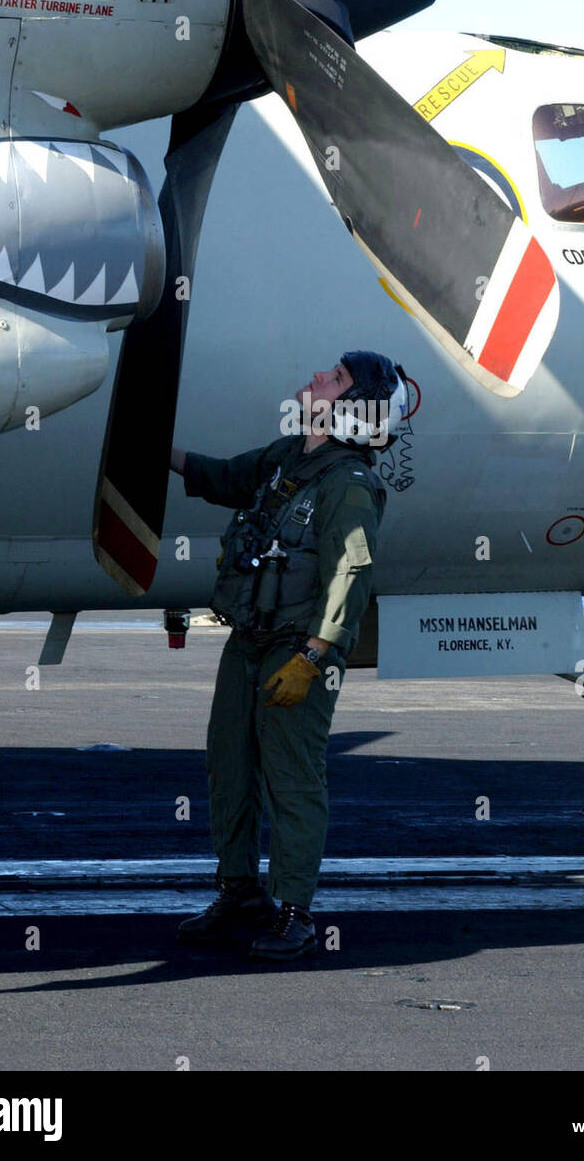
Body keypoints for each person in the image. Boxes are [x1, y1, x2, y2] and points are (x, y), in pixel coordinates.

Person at [170, 351, 409, 960]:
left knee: (293, 780)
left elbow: (350, 573)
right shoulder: (287, 460)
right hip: (250, 638)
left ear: (352, 408)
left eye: (334, 379)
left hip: (298, 648)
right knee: (229, 766)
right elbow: (226, 477)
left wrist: (313, 655)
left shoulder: (349, 484)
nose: (316, 378)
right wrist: (156, 452)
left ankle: (296, 913)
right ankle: (240, 893)